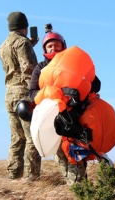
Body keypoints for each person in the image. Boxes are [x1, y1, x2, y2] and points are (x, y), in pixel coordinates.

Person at [28, 25, 88, 186]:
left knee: (76, 153)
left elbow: (92, 82)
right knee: (61, 155)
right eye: (50, 45)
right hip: (52, 120)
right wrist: (52, 92)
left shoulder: (73, 64)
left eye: (57, 45)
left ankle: (80, 189)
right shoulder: (40, 68)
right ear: (44, 49)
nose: (53, 47)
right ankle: (74, 185)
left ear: (63, 46)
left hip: (74, 117)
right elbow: (32, 93)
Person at [0, 11, 41, 181]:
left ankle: (14, 174)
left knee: (16, 138)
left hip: (9, 95)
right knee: (32, 137)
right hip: (24, 96)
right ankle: (32, 177)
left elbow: (13, 67)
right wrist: (35, 94)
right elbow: (28, 70)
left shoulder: (2, 45)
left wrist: (29, 46)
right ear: (25, 26)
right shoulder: (23, 43)